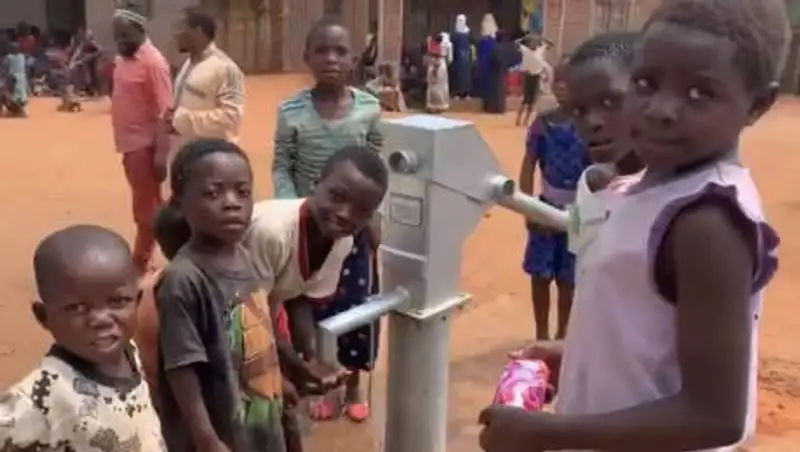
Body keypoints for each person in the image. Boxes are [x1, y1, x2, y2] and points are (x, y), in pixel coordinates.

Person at [479, 0, 788, 449]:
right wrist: (577, 353)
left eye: (698, 93)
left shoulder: (707, 221)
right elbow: (643, 321)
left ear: (757, 104)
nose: (661, 108)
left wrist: (548, 432)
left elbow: (716, 417)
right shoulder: (643, 188)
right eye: (646, 83)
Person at [272, 18, 384, 422]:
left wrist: (375, 216)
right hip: (310, 231)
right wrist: (295, 210)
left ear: (353, 59)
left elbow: (379, 166)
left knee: (356, 307)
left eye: (340, 51)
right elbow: (282, 165)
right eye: (322, 50)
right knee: (315, 309)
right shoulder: (290, 112)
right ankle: (325, 380)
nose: (331, 59)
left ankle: (353, 384)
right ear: (307, 57)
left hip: (355, 230)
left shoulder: (369, 109)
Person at [155, 138, 286, 451]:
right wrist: (206, 438)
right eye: (213, 193)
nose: (232, 203)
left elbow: (258, 330)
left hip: (258, 416)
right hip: (219, 431)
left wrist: (278, 383)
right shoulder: (183, 279)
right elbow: (181, 367)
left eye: (242, 192)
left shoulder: (245, 256)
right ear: (180, 203)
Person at [0, 225, 165, 450]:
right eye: (77, 308)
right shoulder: (40, 398)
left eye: (117, 301)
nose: (101, 320)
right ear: (44, 316)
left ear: (137, 301)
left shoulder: (130, 353)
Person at [519, 58, 587, 342]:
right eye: (557, 80)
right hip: (545, 209)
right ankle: (542, 334)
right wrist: (528, 208)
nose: (561, 87)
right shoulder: (543, 124)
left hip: (579, 212)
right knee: (540, 275)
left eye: (568, 81)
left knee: (568, 279)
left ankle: (563, 336)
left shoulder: (589, 125)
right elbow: (528, 165)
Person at [111, 6, 173, 275]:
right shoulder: (123, 59)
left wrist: (160, 153)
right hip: (129, 144)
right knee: (149, 205)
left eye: (125, 35)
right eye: (117, 35)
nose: (120, 40)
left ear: (141, 30)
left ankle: (141, 262)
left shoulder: (154, 63)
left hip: (144, 146)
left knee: (146, 208)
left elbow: (165, 111)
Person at [169, 6, 245, 148]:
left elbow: (231, 119)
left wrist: (180, 120)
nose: (176, 34)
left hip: (211, 153)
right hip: (185, 151)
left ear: (198, 31)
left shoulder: (225, 68)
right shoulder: (188, 64)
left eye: (180, 28)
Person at [516, 35, 552, 126]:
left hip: (536, 76)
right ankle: (518, 119)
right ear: (529, 44)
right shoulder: (525, 50)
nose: (534, 44)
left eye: (535, 43)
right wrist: (525, 38)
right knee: (525, 100)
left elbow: (551, 44)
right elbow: (516, 43)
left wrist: (542, 39)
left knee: (532, 101)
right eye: (532, 43)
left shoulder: (540, 50)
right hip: (528, 76)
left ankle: (526, 120)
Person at [426, 33, 450, 113]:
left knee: (437, 86)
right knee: (437, 86)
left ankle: (436, 106)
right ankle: (437, 106)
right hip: (438, 65)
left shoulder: (434, 46)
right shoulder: (436, 46)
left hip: (437, 65)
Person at [2, 42, 27, 117]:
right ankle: (20, 110)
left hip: (12, 77)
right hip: (21, 77)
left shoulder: (9, 57)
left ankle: (15, 111)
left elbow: (4, 67)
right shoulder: (22, 56)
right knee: (20, 94)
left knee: (8, 95)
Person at [450, 14, 472, 99]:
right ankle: (456, 93)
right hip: (457, 60)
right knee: (457, 78)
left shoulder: (467, 33)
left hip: (466, 60)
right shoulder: (454, 35)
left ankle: (466, 93)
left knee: (466, 78)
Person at [476, 13, 498, 99]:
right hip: (492, 48)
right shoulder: (494, 26)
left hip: (484, 49)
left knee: (484, 73)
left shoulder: (483, 25)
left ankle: (484, 92)